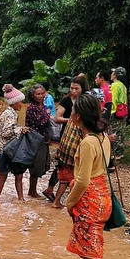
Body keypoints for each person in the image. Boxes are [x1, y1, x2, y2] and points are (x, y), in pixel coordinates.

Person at [66, 94, 112, 259]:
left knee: (92, 254)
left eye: (73, 110)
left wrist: (69, 202)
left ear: (78, 116)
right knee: (89, 250)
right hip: (103, 196)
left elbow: (83, 180)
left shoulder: (87, 143)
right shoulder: (103, 137)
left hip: (89, 200)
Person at [43, 76, 88, 207]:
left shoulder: (84, 99)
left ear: (82, 89)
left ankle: (57, 194)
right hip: (70, 137)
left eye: (76, 88)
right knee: (66, 168)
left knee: (67, 169)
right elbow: (57, 118)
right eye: (72, 88)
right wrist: (73, 120)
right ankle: (59, 197)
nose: (73, 91)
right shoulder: (67, 101)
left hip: (75, 137)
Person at [0, 84, 27, 202]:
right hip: (6, 152)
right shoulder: (11, 114)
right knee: (5, 177)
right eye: (20, 102)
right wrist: (20, 129)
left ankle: (0, 201)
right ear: (14, 102)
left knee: (16, 175)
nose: (21, 104)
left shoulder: (6, 113)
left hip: (3, 150)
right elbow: (7, 132)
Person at [25, 84, 52, 198]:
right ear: (33, 95)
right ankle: (32, 192)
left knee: (41, 164)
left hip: (43, 140)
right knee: (36, 166)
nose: (41, 96)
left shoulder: (42, 106)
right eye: (38, 94)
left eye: (42, 93)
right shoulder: (32, 108)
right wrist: (49, 115)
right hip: (35, 140)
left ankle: (33, 190)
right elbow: (43, 122)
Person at [109, 67, 128, 159]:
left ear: (115, 75)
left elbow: (113, 99)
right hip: (123, 109)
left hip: (116, 111)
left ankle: (117, 153)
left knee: (114, 131)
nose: (111, 74)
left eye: (112, 73)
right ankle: (120, 152)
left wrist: (110, 111)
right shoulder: (123, 85)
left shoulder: (115, 85)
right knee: (121, 131)